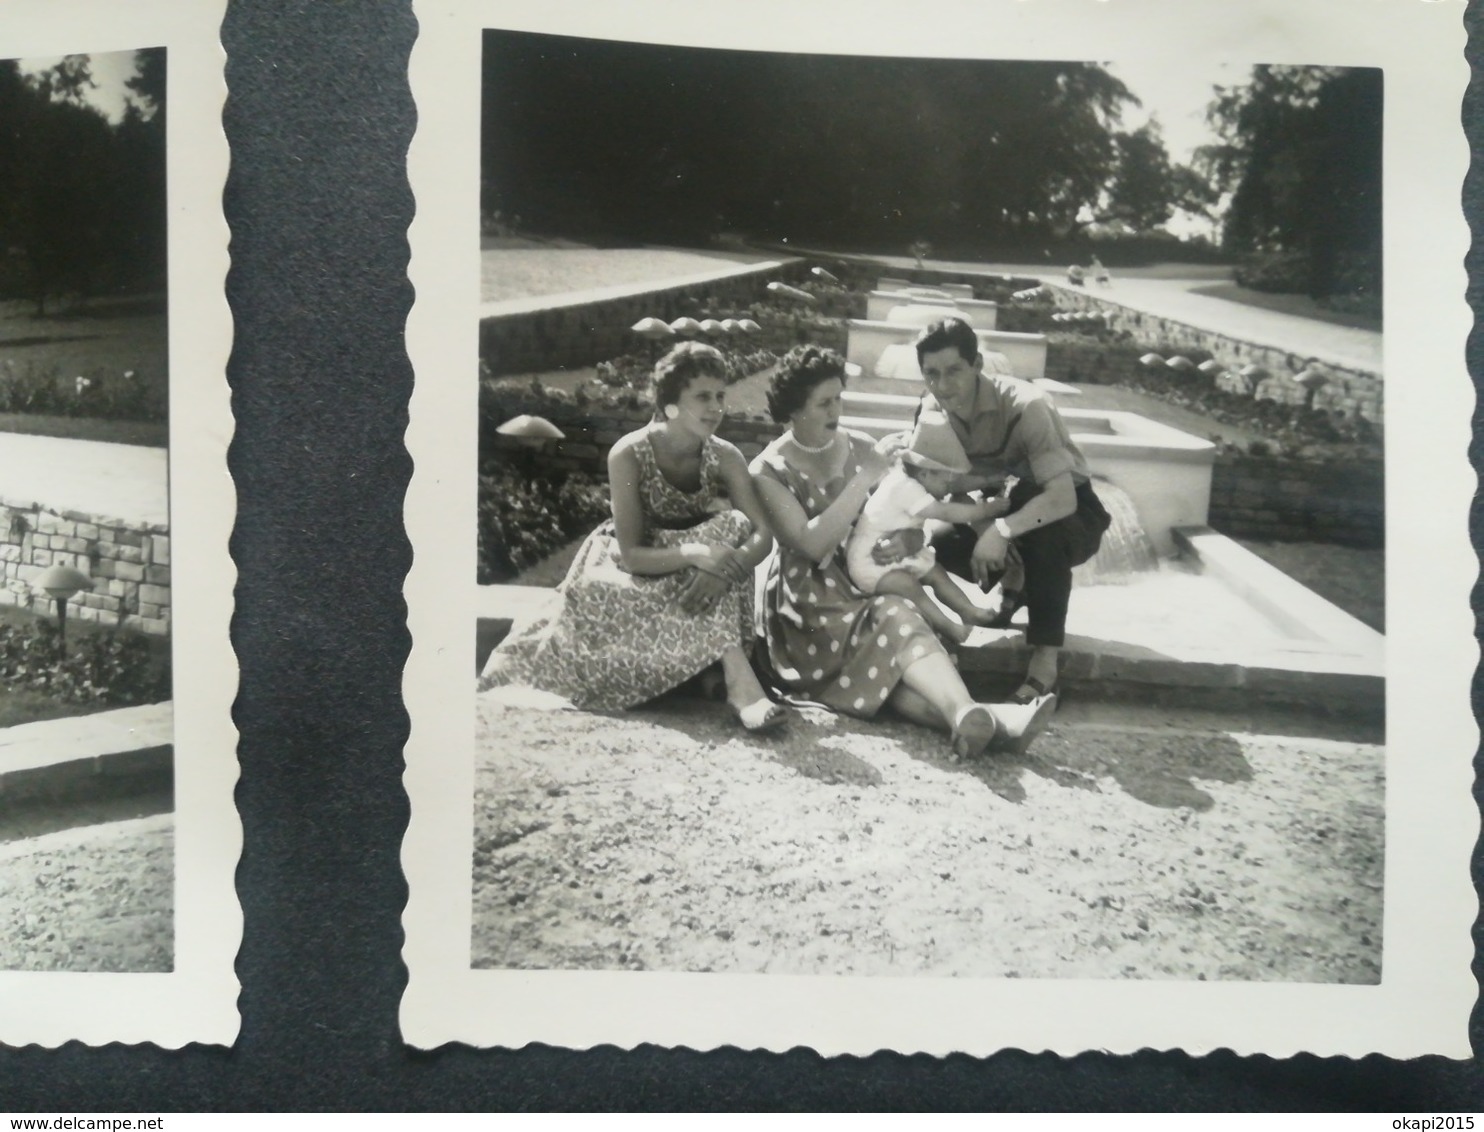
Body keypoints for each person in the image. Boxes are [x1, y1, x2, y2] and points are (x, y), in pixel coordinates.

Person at [749, 344, 1057, 761]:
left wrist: (913, 540)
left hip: (865, 583)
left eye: (839, 397)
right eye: (823, 403)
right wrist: (865, 478)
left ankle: (970, 716)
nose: (836, 410)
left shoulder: (859, 446)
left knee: (894, 643)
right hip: (809, 606)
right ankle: (995, 722)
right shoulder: (768, 470)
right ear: (794, 409)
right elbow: (811, 544)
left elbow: (905, 510)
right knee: (897, 619)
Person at [479, 341, 786, 731]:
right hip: (636, 568)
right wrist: (694, 554)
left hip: (698, 574)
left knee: (733, 527)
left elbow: (763, 533)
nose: (716, 407)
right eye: (703, 396)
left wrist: (722, 569)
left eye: (721, 396)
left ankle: (734, 680)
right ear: (670, 402)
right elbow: (632, 554)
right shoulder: (630, 453)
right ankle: (731, 680)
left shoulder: (724, 456)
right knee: (713, 543)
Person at [887, 317, 1111, 704]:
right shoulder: (930, 410)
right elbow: (940, 485)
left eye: (954, 371)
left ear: (977, 366)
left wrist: (1001, 532)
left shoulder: (1028, 406)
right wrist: (981, 529)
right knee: (943, 543)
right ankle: (1017, 583)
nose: (943, 386)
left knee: (1046, 538)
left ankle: (1045, 663)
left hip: (1069, 509)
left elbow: (1061, 499)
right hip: (1004, 503)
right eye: (932, 374)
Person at [843, 407, 1004, 645]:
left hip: (897, 553)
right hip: (871, 563)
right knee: (910, 587)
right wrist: (985, 510)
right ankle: (948, 626)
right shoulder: (905, 487)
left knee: (936, 573)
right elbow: (945, 511)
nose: (950, 484)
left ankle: (968, 610)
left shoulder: (912, 482)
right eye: (945, 478)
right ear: (926, 475)